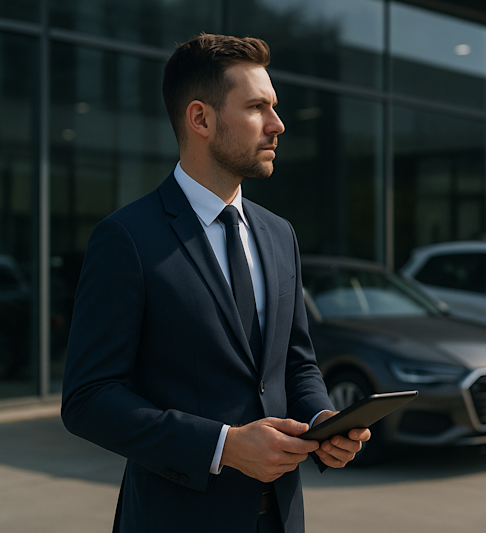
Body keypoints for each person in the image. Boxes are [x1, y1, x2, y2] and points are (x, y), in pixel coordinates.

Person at [61, 33, 369, 533]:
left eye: (274, 106)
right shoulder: (127, 238)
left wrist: (321, 423)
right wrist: (223, 446)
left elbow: (296, 363)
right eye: (256, 107)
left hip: (282, 518)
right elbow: (88, 399)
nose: (278, 124)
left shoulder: (279, 234)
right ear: (201, 119)